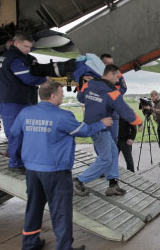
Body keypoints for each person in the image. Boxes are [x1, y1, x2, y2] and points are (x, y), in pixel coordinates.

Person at [10, 81, 113, 250]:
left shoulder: (25, 113)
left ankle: (29, 244)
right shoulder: (63, 116)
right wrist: (102, 123)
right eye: (61, 93)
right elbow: (85, 131)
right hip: (55, 171)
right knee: (61, 211)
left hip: (32, 170)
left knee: (33, 207)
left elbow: (14, 132)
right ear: (52, 96)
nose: (63, 95)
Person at [75, 64, 142, 196]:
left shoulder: (89, 85)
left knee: (112, 151)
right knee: (105, 158)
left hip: (93, 125)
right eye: (117, 77)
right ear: (110, 74)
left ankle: (113, 184)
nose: (118, 80)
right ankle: (78, 181)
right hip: (101, 127)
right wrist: (138, 122)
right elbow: (124, 110)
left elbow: (80, 98)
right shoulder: (111, 91)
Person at [0, 31, 47, 173]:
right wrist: (45, 80)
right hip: (13, 101)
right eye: (25, 46)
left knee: (20, 132)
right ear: (16, 43)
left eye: (29, 47)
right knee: (15, 133)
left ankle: (19, 159)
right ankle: (15, 164)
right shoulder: (14, 59)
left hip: (13, 99)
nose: (28, 50)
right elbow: (27, 79)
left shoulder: (9, 58)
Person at [100, 53, 127, 143]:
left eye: (111, 63)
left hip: (113, 115)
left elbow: (123, 89)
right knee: (101, 142)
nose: (110, 65)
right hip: (99, 116)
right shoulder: (95, 75)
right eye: (107, 63)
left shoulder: (117, 74)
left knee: (113, 141)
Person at [143, 90, 160, 167]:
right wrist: (145, 109)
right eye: (151, 96)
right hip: (159, 125)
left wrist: (151, 108)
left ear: (157, 95)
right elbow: (151, 113)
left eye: (153, 96)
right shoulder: (153, 104)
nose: (152, 98)